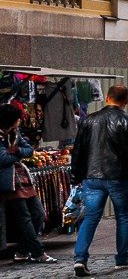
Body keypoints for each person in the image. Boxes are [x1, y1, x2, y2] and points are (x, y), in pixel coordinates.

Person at [70, 82, 128, 277]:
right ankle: (122, 257)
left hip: (92, 176)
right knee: (123, 216)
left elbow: (78, 150)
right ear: (126, 101)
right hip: (119, 176)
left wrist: (75, 175)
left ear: (107, 98)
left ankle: (80, 259)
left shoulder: (88, 120)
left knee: (90, 217)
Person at [1, 104, 56, 264]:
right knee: (24, 217)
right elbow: (2, 158)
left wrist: (16, 152)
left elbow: (29, 150)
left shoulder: (15, 133)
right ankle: (38, 252)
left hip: (23, 180)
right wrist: (17, 155)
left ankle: (22, 250)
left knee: (38, 214)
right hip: (8, 182)